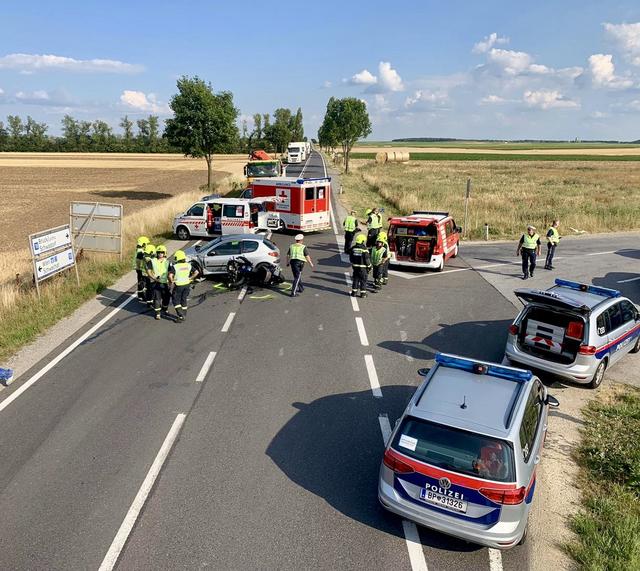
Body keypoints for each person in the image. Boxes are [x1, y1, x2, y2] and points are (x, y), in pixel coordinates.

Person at [168, 250, 199, 322]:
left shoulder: (175, 266)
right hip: (187, 284)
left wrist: (172, 281)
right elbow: (196, 272)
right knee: (183, 299)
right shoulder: (188, 265)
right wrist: (190, 278)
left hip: (178, 285)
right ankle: (184, 314)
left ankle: (181, 315)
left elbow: (170, 276)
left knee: (175, 300)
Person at [147, 244, 170, 320]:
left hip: (165, 283)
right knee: (157, 298)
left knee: (166, 297)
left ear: (165, 253)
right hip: (156, 283)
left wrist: (171, 282)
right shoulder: (152, 261)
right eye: (159, 252)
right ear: (157, 253)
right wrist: (154, 278)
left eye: (162, 252)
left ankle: (164, 308)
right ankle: (157, 313)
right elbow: (149, 271)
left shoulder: (167, 262)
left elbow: (170, 273)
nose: (160, 254)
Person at [134, 236, 149, 301]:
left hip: (138, 268)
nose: (147, 245)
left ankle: (140, 295)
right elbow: (139, 261)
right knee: (142, 282)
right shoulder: (141, 252)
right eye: (146, 244)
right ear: (143, 244)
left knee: (139, 281)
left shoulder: (138, 249)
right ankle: (143, 296)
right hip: (140, 269)